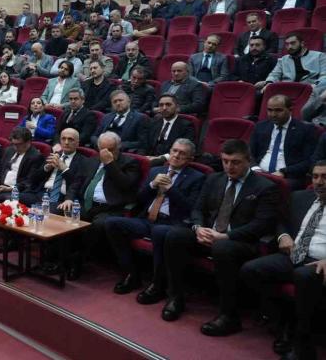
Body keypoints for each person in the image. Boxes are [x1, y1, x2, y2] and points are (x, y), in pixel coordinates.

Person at [161, 140, 279, 335]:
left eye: (235, 162)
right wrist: (198, 228)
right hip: (210, 234)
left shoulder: (265, 187)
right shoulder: (214, 179)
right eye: (225, 161)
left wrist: (226, 236)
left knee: (222, 248)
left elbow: (261, 225)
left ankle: (229, 316)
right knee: (175, 235)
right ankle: (175, 297)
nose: (229, 167)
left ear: (248, 160)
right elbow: (198, 209)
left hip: (240, 242)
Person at [240, 161, 326, 360]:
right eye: (315, 176)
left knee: (303, 276)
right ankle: (283, 321)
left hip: (318, 262)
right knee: (250, 270)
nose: (319, 182)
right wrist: (283, 236)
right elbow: (281, 222)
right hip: (294, 255)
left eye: (324, 177)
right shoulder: (300, 197)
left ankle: (303, 344)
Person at [104, 139, 205, 301]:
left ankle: (157, 285)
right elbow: (138, 199)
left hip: (171, 224)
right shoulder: (156, 171)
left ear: (190, 158)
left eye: (182, 153)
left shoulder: (197, 177)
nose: (176, 155)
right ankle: (131, 274)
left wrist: (170, 189)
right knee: (111, 223)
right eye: (174, 151)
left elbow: (191, 208)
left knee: (159, 231)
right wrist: (152, 185)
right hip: (147, 220)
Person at [59, 131, 141, 279]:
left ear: (119, 147)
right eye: (103, 149)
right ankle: (58, 258)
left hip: (110, 208)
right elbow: (77, 182)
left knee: (96, 226)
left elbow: (125, 184)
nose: (106, 153)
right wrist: (69, 198)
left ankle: (77, 261)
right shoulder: (92, 160)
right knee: (61, 213)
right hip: (86, 204)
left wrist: (110, 164)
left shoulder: (130, 163)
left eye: (111, 150)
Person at [249, 94, 317, 191]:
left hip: (288, 177)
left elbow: (309, 161)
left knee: (270, 188)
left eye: (278, 110)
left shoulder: (305, 130)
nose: (273, 114)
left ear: (290, 110)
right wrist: (256, 169)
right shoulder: (260, 127)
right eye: (270, 110)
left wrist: (284, 172)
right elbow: (249, 154)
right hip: (259, 174)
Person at [141, 94, 196, 159]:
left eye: (168, 105)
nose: (164, 108)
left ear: (177, 107)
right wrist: (143, 157)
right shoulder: (153, 122)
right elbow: (144, 144)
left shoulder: (186, 126)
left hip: (170, 160)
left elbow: (184, 150)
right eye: (161, 105)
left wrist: (161, 158)